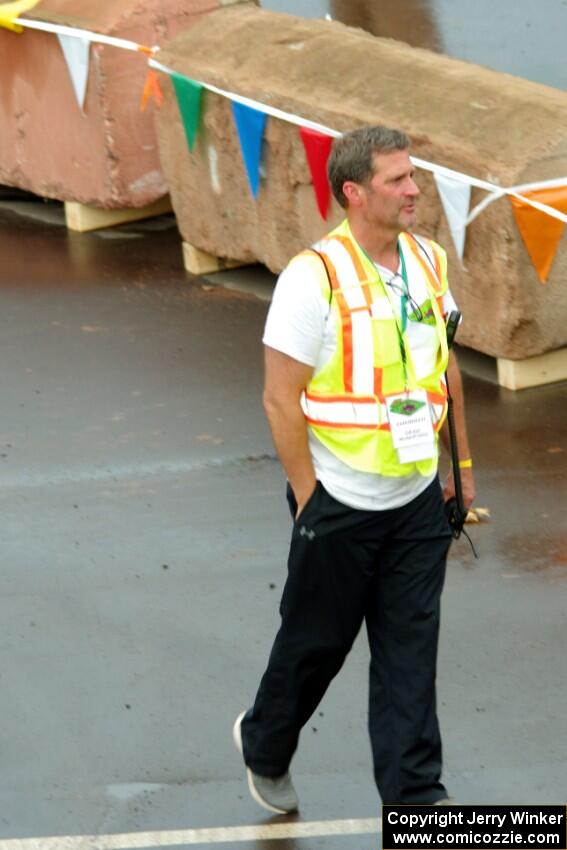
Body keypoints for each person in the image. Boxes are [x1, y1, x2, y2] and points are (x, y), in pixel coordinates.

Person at [233, 125, 475, 814]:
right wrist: (310, 503)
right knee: (315, 645)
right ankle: (264, 743)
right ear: (353, 192)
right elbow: (280, 396)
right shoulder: (313, 278)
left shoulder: (428, 260)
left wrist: (457, 464)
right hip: (337, 500)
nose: (413, 189)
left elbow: (443, 365)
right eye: (397, 179)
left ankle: (417, 803)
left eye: (413, 175)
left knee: (408, 654)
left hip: (416, 498)